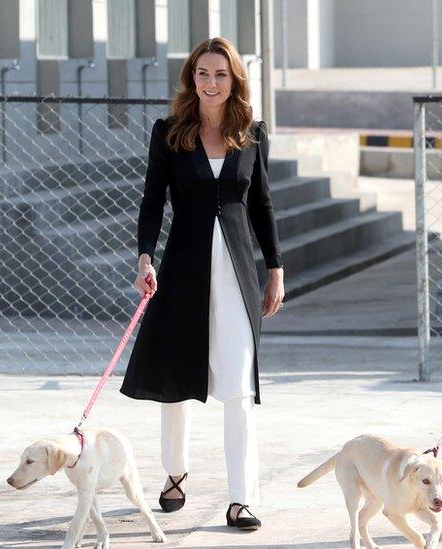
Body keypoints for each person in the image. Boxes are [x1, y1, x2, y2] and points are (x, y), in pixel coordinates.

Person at [119, 37, 284, 531]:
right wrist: (145, 256)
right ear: (192, 78)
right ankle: (173, 474)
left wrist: (274, 267)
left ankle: (242, 498)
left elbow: (263, 205)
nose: (211, 83)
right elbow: (152, 201)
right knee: (177, 378)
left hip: (237, 273)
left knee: (238, 384)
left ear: (235, 81)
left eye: (221, 74)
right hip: (182, 270)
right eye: (203, 74)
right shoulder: (169, 132)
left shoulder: (251, 134)